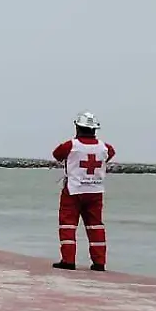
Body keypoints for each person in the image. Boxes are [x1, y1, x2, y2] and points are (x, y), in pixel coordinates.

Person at [52, 112, 115, 272]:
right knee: (96, 226)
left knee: (68, 225)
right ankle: (99, 262)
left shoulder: (70, 145)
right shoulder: (105, 147)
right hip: (95, 190)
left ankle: (68, 260)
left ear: (78, 127)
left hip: (73, 190)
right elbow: (110, 154)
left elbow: (57, 154)